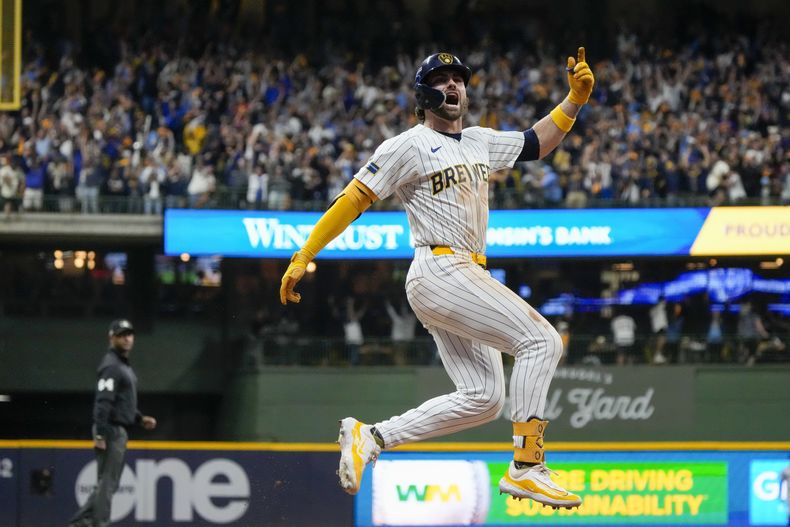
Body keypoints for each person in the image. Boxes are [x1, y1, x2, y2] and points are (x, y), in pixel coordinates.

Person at [280, 49, 594, 508]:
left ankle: (371, 437)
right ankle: (527, 466)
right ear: (424, 93)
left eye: (459, 79)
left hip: (463, 273)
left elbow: (535, 143)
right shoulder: (407, 145)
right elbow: (353, 199)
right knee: (542, 341)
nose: (453, 85)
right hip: (439, 266)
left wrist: (574, 101)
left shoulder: (479, 140)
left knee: (485, 398)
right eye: (443, 78)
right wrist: (304, 253)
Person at [67, 319, 157, 527]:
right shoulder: (112, 366)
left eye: (130, 334)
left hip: (116, 428)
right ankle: (97, 523)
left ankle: (80, 524)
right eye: (122, 334)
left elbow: (121, 402)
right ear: (112, 337)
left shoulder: (121, 365)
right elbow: (103, 402)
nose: (127, 338)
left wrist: (139, 418)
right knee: (108, 484)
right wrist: (99, 433)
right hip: (110, 430)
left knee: (107, 485)